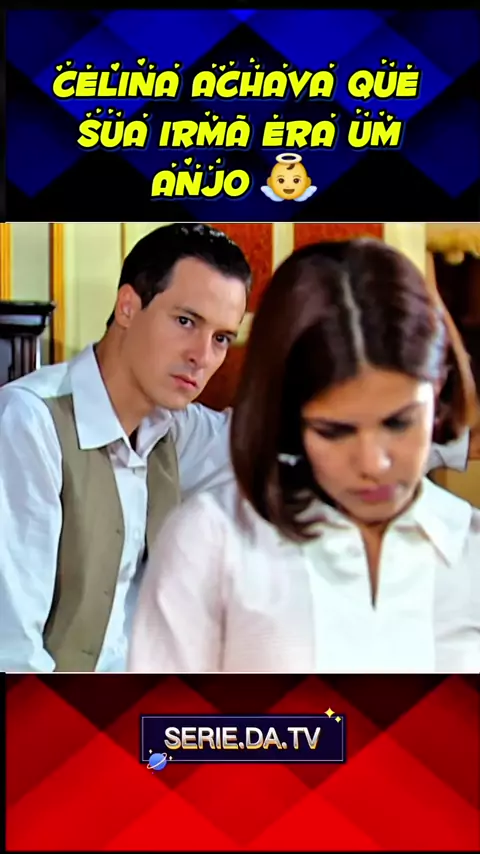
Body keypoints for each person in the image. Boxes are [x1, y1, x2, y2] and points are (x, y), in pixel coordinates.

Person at [128, 238, 480, 674]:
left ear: (439, 392)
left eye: (399, 423)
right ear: (287, 417)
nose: (373, 464)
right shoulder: (211, 542)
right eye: (334, 431)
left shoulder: (470, 547)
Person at [0, 223, 251, 672]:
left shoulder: (174, 427)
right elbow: (12, 653)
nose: (202, 356)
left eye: (221, 339)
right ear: (128, 307)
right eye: (186, 321)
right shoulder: (30, 422)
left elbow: (275, 451)